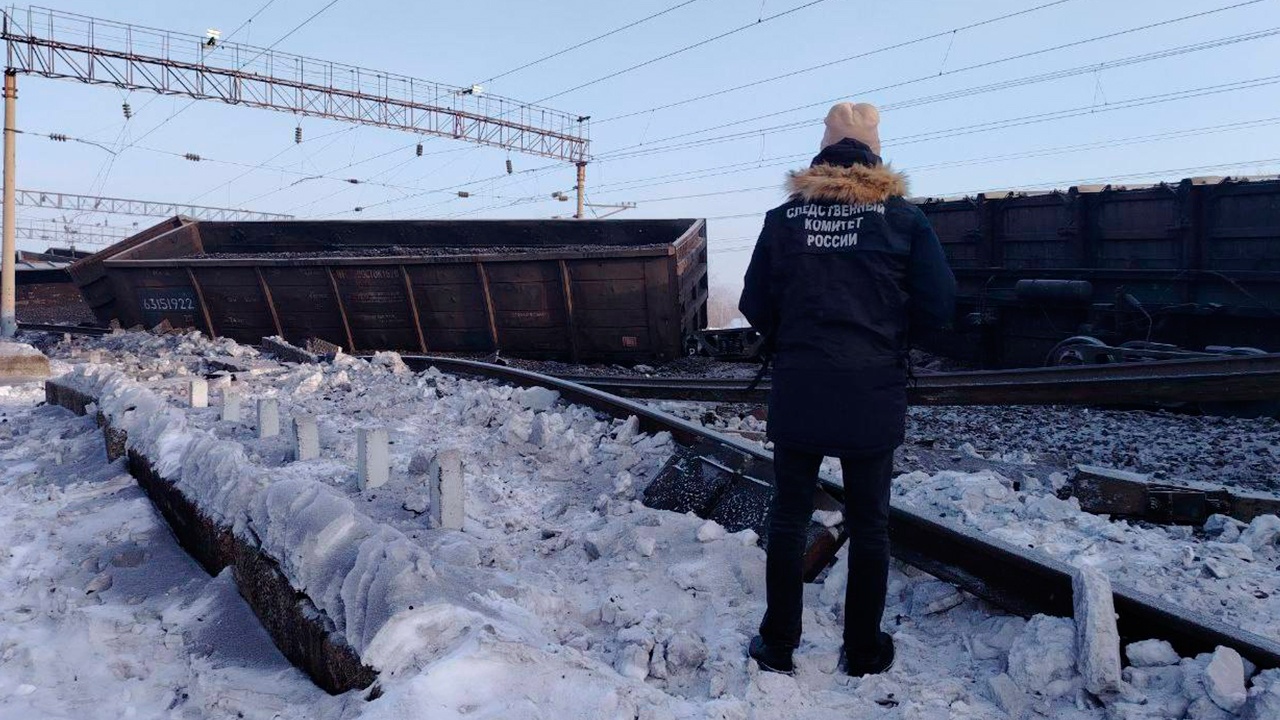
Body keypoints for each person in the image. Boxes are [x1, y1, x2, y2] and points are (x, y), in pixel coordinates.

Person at [738, 102, 956, 677]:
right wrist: (889, 339)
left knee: (788, 517)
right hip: (872, 389)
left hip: (801, 386)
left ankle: (778, 644)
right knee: (871, 523)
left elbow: (754, 302)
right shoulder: (905, 220)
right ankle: (862, 651)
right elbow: (940, 305)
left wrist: (794, 339)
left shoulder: (784, 219)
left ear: (823, 154)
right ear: (875, 157)